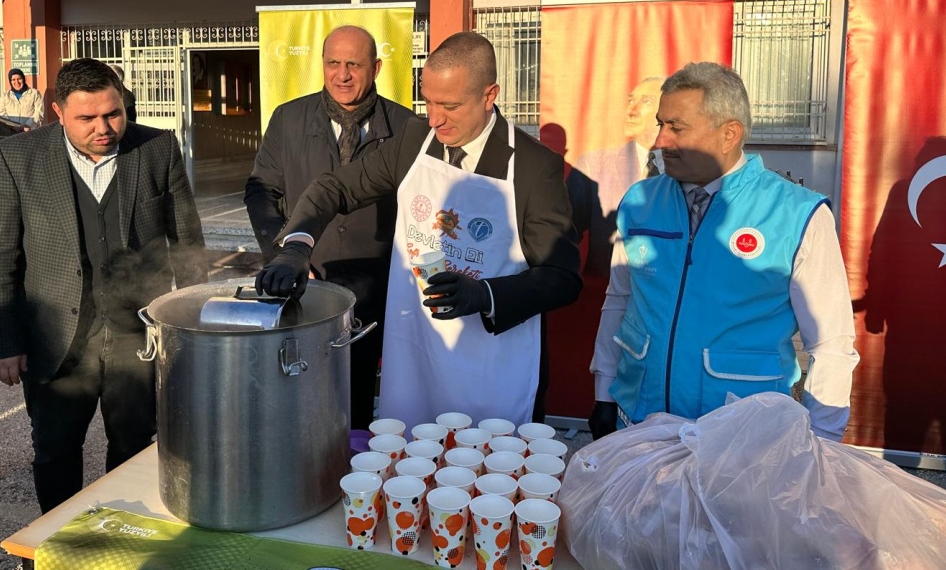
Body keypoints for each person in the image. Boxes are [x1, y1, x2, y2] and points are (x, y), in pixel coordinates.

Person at [257, 32, 582, 429]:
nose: (435, 118)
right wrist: (296, 245)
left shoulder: (534, 167)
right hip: (416, 357)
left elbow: (563, 277)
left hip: (492, 365)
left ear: (489, 94)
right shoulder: (414, 140)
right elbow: (335, 188)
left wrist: (484, 293)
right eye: (427, 101)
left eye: (450, 105)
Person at [0, 57, 208, 513]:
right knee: (55, 450)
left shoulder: (157, 149)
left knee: (134, 445)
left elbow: (187, 240)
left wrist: (193, 330)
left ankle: (124, 533)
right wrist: (1, 341)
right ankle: (60, 541)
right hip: (56, 339)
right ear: (57, 111)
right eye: (87, 118)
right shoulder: (15, 157)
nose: (104, 127)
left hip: (137, 335)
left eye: (113, 113)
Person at [588, 62, 859, 442]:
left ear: (729, 133)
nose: (660, 141)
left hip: (740, 441)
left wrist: (823, 441)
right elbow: (620, 300)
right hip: (640, 423)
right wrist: (605, 392)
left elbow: (831, 343)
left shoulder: (798, 214)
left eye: (676, 128)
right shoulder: (639, 201)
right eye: (660, 124)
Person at [244, 25, 415, 427]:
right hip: (305, 281)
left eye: (354, 64)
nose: (342, 75)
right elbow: (260, 190)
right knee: (298, 392)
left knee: (358, 400)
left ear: (375, 67)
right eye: (333, 63)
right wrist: (283, 253)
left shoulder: (406, 126)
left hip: (376, 287)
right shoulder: (289, 118)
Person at [576, 76, 664, 218]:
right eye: (630, 101)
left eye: (646, 101)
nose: (631, 111)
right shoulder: (592, 165)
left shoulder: (693, 166)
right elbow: (564, 229)